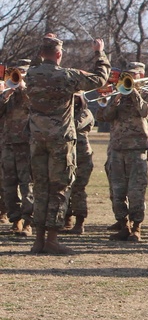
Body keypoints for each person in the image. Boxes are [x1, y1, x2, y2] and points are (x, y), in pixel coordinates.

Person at [24, 34, 110, 255]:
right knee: (60, 188)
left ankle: (38, 241)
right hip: (60, 141)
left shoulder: (31, 75)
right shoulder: (67, 76)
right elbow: (101, 79)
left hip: (36, 139)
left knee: (40, 188)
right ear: (59, 54)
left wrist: (45, 43)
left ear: (42, 53)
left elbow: (38, 64)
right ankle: (52, 240)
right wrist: (99, 53)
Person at [97, 61, 148, 241]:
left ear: (141, 76)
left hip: (137, 148)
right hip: (117, 148)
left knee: (136, 191)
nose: (129, 79)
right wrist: (114, 101)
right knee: (117, 191)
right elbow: (104, 117)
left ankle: (137, 227)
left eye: (133, 75)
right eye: (126, 76)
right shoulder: (117, 94)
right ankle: (123, 225)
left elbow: (145, 111)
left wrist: (134, 92)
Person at [0, 59, 33, 236]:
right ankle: (15, 219)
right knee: (8, 184)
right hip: (7, 143)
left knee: (26, 183)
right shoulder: (8, 93)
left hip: (25, 144)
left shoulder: (30, 92)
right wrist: (5, 96)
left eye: (21, 73)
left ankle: (28, 221)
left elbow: (32, 105)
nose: (17, 76)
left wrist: (22, 86)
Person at [63, 92, 95, 234]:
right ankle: (66, 219)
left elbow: (74, 126)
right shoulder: (63, 112)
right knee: (65, 187)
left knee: (78, 190)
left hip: (82, 156)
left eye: (75, 96)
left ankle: (80, 222)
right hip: (67, 155)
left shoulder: (86, 113)